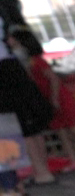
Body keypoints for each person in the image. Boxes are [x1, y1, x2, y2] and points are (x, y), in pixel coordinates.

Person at [11, 27, 75, 170]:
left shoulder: (37, 61)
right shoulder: (31, 62)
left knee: (74, 130)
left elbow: (54, 79)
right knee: (62, 132)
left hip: (58, 98)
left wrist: (55, 98)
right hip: (51, 98)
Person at [0, 24, 53, 186]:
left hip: (7, 80)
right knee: (33, 130)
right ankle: (42, 169)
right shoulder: (13, 56)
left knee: (26, 131)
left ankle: (41, 171)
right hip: (16, 77)